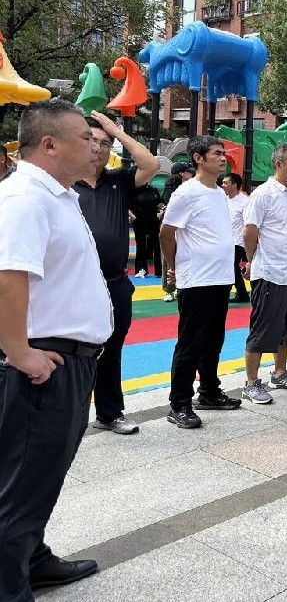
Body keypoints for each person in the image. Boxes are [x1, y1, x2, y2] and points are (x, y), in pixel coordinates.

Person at [0, 99, 112, 599]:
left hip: (69, 360)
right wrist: (19, 352)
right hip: (42, 363)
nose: (96, 147)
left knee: (42, 474)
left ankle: (32, 558)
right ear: (49, 144)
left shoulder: (59, 195)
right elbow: (8, 277)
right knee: (21, 481)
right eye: (85, 139)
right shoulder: (25, 197)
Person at [73, 111, 159, 436]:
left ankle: (109, 413)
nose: (98, 147)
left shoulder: (118, 181)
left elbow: (151, 164)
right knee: (73, 352)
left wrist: (117, 132)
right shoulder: (63, 182)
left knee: (112, 349)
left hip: (114, 284)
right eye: (91, 139)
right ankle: (70, 416)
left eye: (105, 142)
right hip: (75, 286)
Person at [160, 136, 242, 428]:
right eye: (216, 153)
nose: (223, 158)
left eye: (223, 153)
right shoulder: (186, 193)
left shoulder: (219, 193)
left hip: (221, 277)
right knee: (190, 343)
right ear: (198, 158)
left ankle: (209, 391)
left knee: (213, 340)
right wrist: (173, 267)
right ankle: (179, 403)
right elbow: (166, 232)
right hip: (197, 279)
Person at [240, 143, 287, 405]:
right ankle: (251, 382)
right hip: (270, 271)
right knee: (262, 328)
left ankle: (280, 372)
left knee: (286, 327)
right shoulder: (263, 194)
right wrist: (252, 260)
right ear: (279, 164)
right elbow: (249, 231)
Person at [158, 163, 195, 302]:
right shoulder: (173, 190)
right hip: (173, 227)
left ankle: (178, 287)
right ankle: (169, 288)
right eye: (188, 172)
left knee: (180, 258)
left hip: (184, 229)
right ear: (182, 174)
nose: (191, 174)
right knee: (169, 259)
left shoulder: (192, 188)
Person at [221, 172, 251, 303]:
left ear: (234, 185)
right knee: (229, 267)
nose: (223, 185)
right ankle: (241, 293)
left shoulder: (244, 202)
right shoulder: (224, 199)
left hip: (237, 240)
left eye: (225, 182)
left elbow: (249, 222)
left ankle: (237, 293)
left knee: (232, 266)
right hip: (225, 239)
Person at [131, 182, 163, 278]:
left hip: (153, 220)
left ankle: (159, 270)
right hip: (139, 220)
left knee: (157, 245)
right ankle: (141, 269)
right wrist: (133, 217)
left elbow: (160, 203)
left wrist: (160, 213)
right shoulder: (133, 191)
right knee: (141, 245)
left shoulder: (153, 190)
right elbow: (127, 206)